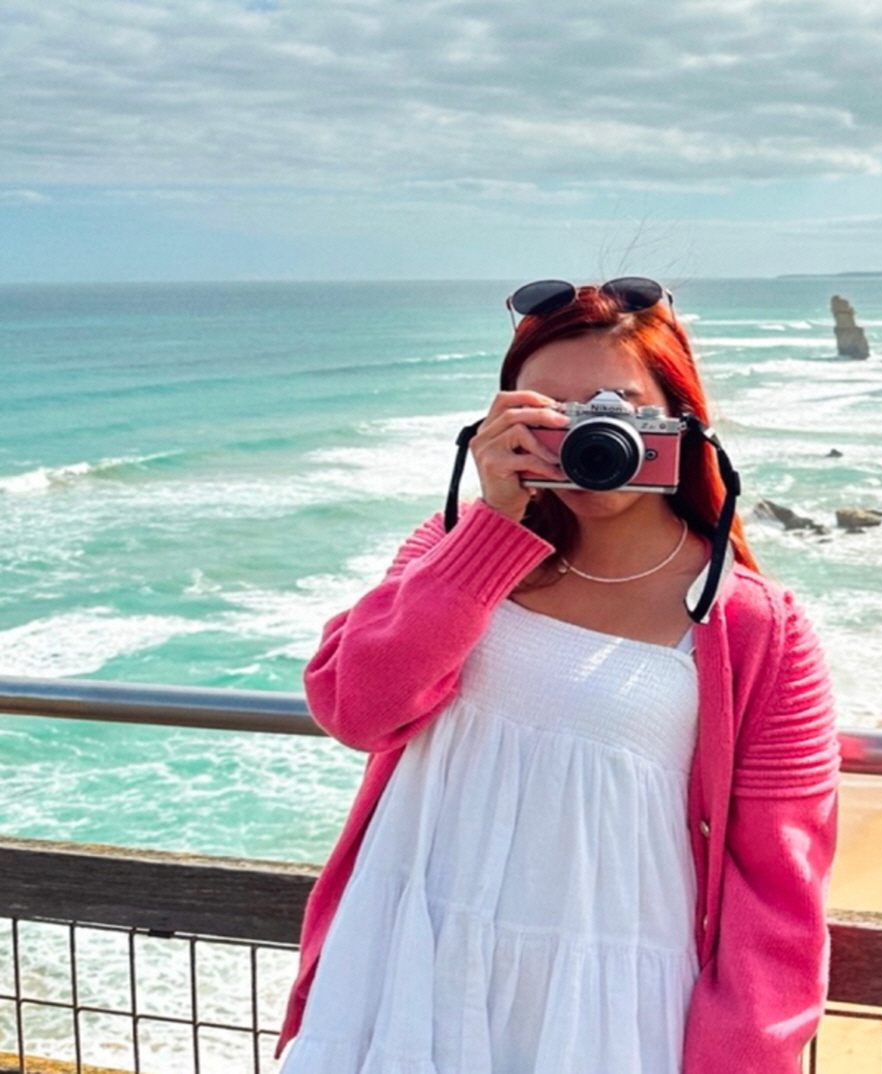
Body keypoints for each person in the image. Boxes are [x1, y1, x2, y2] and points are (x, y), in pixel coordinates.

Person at [275, 278, 840, 1073]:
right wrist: (490, 528)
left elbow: (776, 899)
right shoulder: (452, 552)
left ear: (680, 420)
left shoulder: (753, 627)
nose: (586, 437)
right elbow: (353, 708)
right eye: (550, 412)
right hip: (410, 969)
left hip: (605, 1009)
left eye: (615, 406)